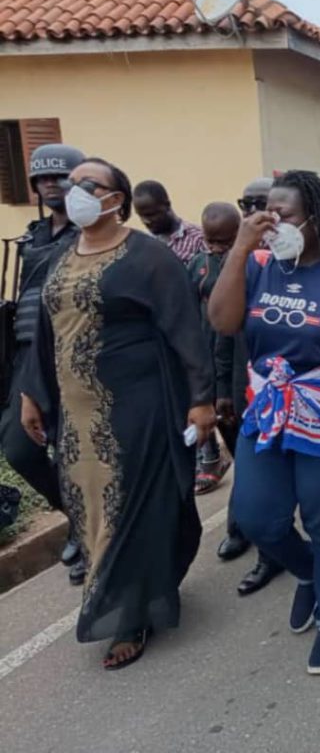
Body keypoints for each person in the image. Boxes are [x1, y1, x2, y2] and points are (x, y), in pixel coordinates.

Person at [21, 157, 214, 669]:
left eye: (91, 184)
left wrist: (200, 399)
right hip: (74, 409)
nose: (76, 190)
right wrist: (31, 393)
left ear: (117, 199)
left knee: (131, 504)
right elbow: (45, 331)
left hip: (139, 401)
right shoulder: (61, 254)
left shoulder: (149, 257)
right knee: (89, 503)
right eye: (72, 183)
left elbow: (185, 331)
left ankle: (129, 614)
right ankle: (126, 586)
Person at [208, 170, 320, 675]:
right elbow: (222, 322)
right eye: (265, 213)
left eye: (283, 214)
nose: (272, 223)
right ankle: (307, 572)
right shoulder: (258, 267)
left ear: (315, 219)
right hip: (268, 411)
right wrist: (241, 248)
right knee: (257, 516)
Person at [1, 143, 85, 586]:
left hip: (74, 353)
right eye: (43, 178)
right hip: (25, 355)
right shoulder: (31, 236)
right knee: (19, 447)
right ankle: (77, 515)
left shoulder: (92, 233)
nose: (52, 184)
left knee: (78, 450)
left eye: (60, 176)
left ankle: (95, 531)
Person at [214, 177, 284, 596]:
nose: (258, 214)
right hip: (251, 386)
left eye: (266, 206)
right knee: (256, 484)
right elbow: (221, 330)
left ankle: (293, 554)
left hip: (302, 389)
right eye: (249, 205)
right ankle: (263, 550)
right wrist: (221, 385)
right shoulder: (242, 262)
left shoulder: (301, 261)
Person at [186, 203, 238, 496]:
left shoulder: (249, 262)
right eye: (211, 241)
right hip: (206, 363)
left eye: (225, 241)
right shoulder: (197, 265)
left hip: (236, 365)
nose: (217, 248)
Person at [132, 180, 207, 264]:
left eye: (151, 215)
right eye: (141, 216)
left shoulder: (199, 239)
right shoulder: (144, 244)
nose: (145, 221)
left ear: (167, 205)